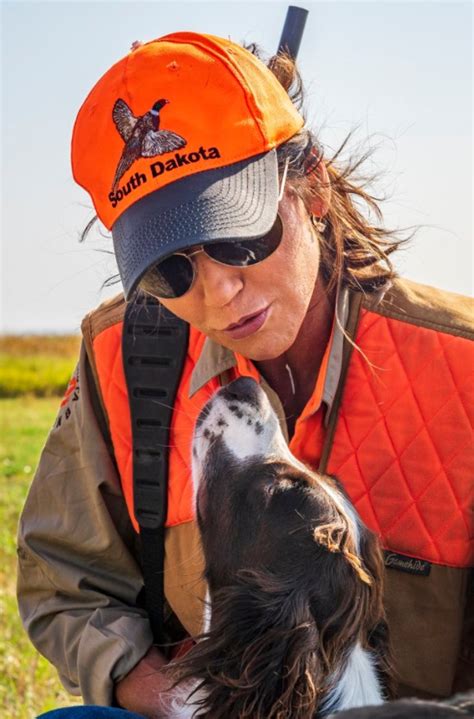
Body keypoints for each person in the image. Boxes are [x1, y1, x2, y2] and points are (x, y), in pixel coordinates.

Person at [17, 31, 473, 719]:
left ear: (311, 186)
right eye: (172, 269)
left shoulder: (462, 364)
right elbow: (63, 582)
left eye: (240, 236)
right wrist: (169, 696)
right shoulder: (118, 353)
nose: (220, 292)